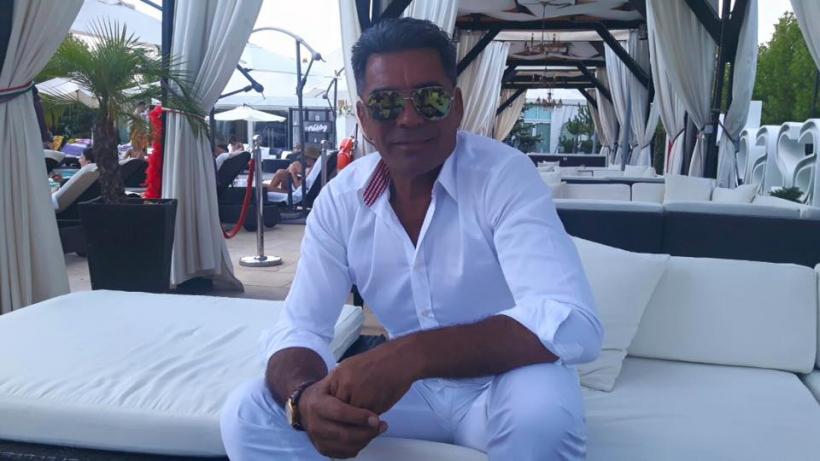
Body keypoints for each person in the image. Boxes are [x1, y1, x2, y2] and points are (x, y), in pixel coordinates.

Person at [220, 18, 602, 461]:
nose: (408, 117)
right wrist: (304, 397)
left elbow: (573, 321)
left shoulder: (502, 177)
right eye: (384, 104)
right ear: (363, 117)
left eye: (430, 98)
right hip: (408, 396)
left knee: (542, 414)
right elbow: (301, 325)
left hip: (503, 385)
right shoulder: (342, 201)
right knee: (250, 412)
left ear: (457, 106)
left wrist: (410, 354)